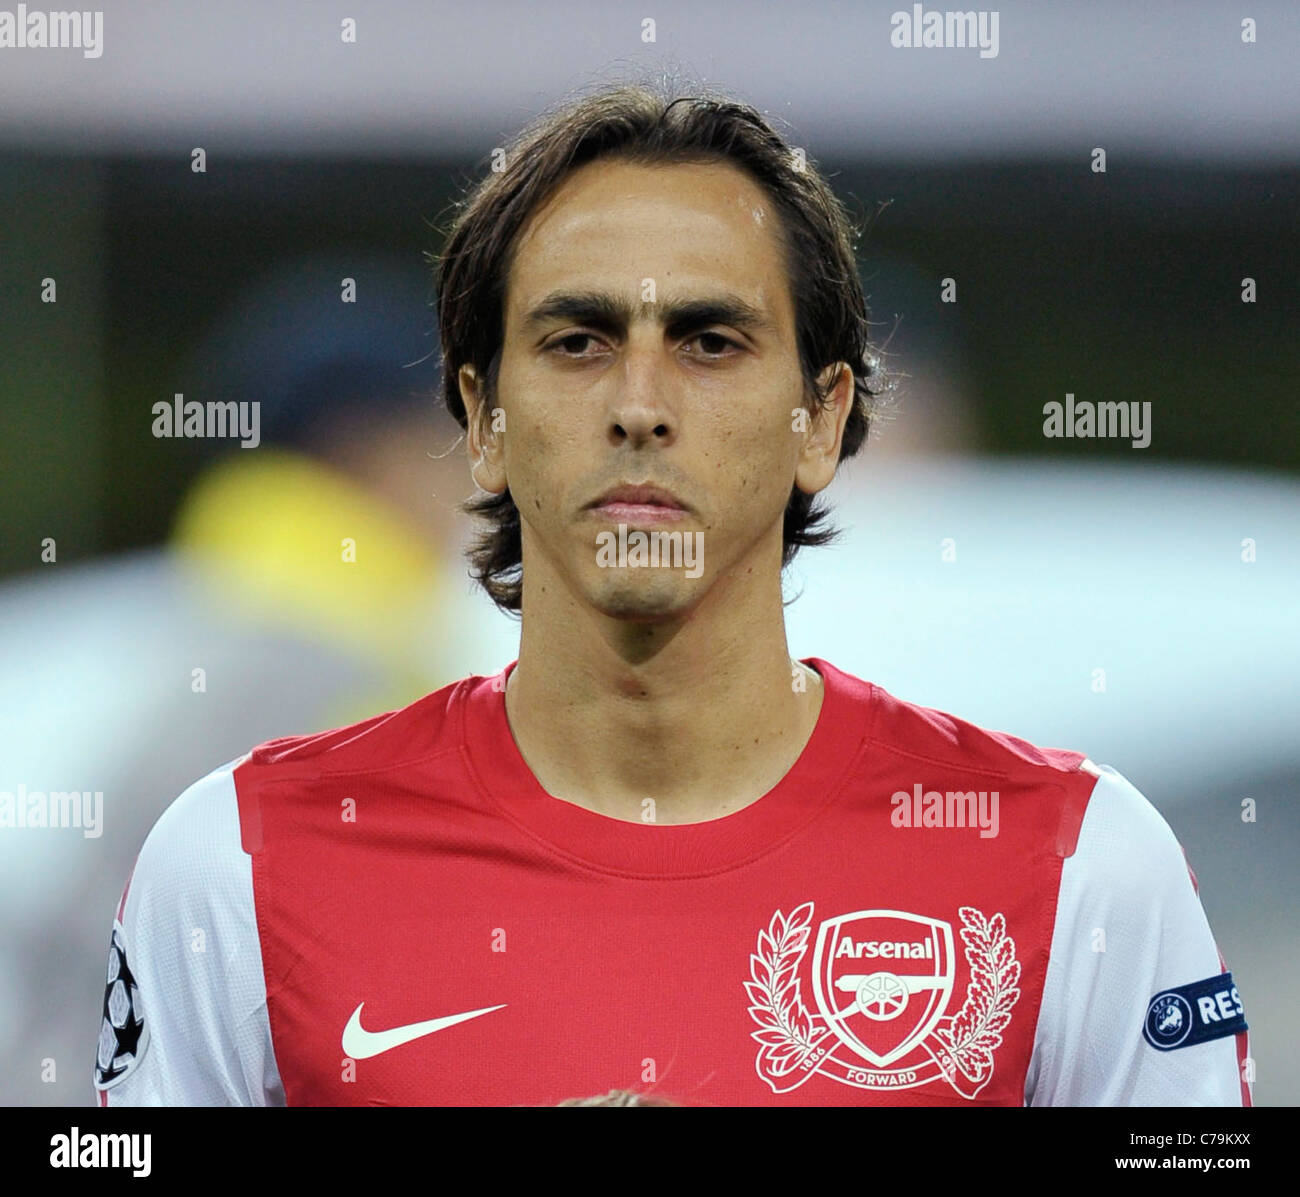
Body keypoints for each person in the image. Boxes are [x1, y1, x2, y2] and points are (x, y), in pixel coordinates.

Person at [93, 81, 1250, 1107]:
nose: (639, 402)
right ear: (481, 422)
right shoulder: (236, 861)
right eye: (579, 341)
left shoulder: (1081, 861)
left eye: (708, 341)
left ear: (824, 419)